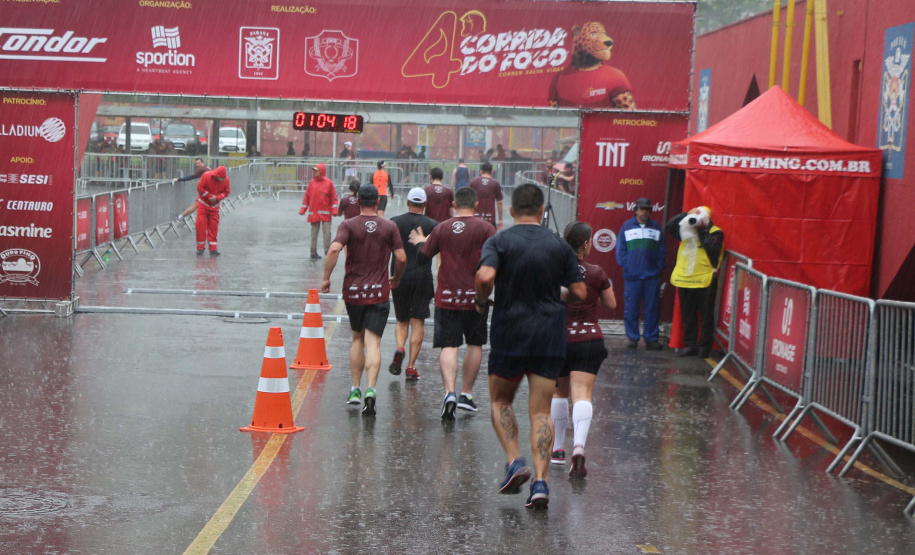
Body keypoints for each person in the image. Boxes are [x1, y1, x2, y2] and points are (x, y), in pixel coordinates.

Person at [475, 183, 585, 509]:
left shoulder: (499, 241)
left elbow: (483, 278)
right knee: (541, 410)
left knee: (500, 401)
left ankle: (514, 461)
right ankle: (540, 484)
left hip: (510, 332)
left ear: (511, 211)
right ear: (541, 210)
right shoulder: (560, 246)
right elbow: (579, 292)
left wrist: (482, 303)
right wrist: (556, 294)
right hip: (548, 335)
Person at [411, 187, 495, 420]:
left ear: (455, 204)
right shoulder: (486, 228)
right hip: (476, 298)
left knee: (449, 346)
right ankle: (466, 395)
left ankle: (449, 392)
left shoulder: (442, 228)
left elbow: (422, 258)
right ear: (476, 205)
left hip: (446, 297)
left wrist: (420, 241)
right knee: (475, 344)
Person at [322, 184, 406, 416]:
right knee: (373, 343)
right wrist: (396, 278)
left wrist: (326, 278)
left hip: (354, 291)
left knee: (357, 339)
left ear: (358, 201)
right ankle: (371, 389)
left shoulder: (348, 225)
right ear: (378, 202)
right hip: (378, 292)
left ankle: (355, 389)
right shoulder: (390, 226)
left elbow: (333, 250)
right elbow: (401, 257)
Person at [550, 221, 616, 478]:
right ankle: (578, 446)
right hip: (589, 339)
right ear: (586, 243)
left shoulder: (555, 270)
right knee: (582, 394)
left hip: (559, 338)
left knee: (558, 394)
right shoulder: (597, 271)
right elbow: (611, 304)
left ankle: (557, 450)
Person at [388, 188, 438, 381]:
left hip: (399, 275)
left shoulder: (394, 222)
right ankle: (411, 366)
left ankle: (400, 347)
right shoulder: (433, 225)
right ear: (425, 205)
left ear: (408, 202)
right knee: (418, 321)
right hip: (422, 277)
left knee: (402, 320)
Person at [665, 206, 724, 358]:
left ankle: (704, 347)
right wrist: (686, 215)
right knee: (688, 315)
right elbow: (670, 226)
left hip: (705, 280)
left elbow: (712, 248)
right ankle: (691, 346)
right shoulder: (686, 231)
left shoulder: (715, 232)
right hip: (685, 279)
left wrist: (702, 229)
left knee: (706, 316)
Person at [616, 197, 666, 350]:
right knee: (631, 308)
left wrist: (657, 269)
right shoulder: (626, 227)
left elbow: (662, 251)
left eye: (648, 209)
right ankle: (632, 338)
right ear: (636, 210)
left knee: (651, 309)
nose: (645, 212)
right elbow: (620, 251)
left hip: (651, 277)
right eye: (642, 209)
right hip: (632, 277)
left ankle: (651, 339)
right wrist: (628, 266)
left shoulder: (656, 227)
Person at [299, 163, 339, 260]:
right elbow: (307, 197)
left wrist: (334, 210)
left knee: (327, 235)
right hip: (314, 213)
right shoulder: (311, 183)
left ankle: (328, 252)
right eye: (314, 170)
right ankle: (313, 253)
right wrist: (303, 208)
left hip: (325, 213)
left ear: (321, 171)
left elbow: (334, 197)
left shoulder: (329, 183)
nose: (315, 172)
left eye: (317, 170)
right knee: (313, 235)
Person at [195, 166, 230, 256]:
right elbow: (200, 188)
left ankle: (213, 248)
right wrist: (210, 197)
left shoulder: (225, 180)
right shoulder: (206, 176)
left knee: (214, 227)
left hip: (214, 206)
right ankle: (200, 247)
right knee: (201, 226)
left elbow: (227, 192)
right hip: (203, 204)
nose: (221, 180)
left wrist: (217, 197)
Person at [469, 162, 503, 229]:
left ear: (481, 171)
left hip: (475, 218)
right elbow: (499, 203)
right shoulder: (495, 183)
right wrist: (500, 220)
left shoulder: (473, 182)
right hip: (490, 219)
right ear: (492, 172)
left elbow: (468, 200)